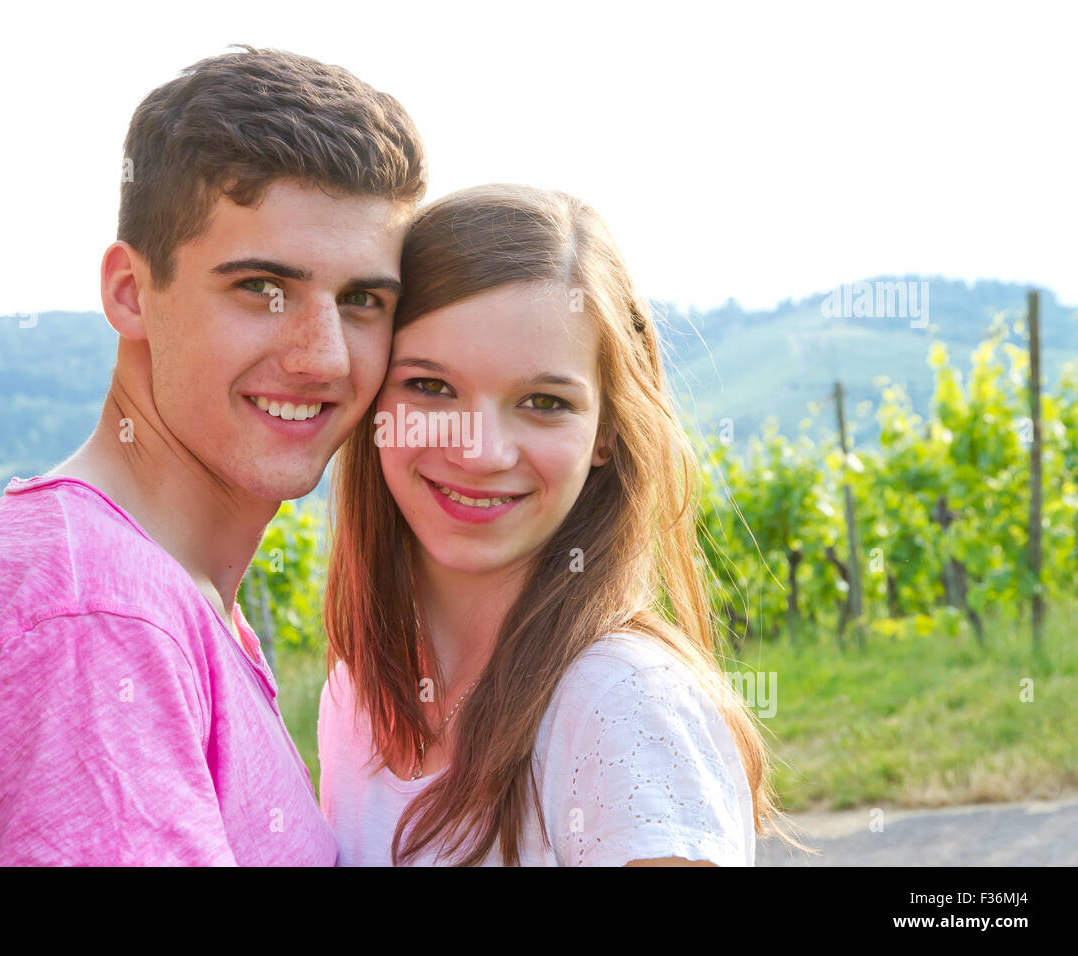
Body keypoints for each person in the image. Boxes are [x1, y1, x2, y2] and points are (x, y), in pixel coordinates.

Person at [0, 46, 426, 865]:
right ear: (131, 293)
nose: (324, 357)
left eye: (361, 301)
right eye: (260, 289)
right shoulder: (97, 619)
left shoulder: (160, 594)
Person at [319, 183, 803, 866]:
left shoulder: (620, 706)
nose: (480, 451)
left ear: (605, 431)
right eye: (430, 387)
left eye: (544, 402)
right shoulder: (358, 697)